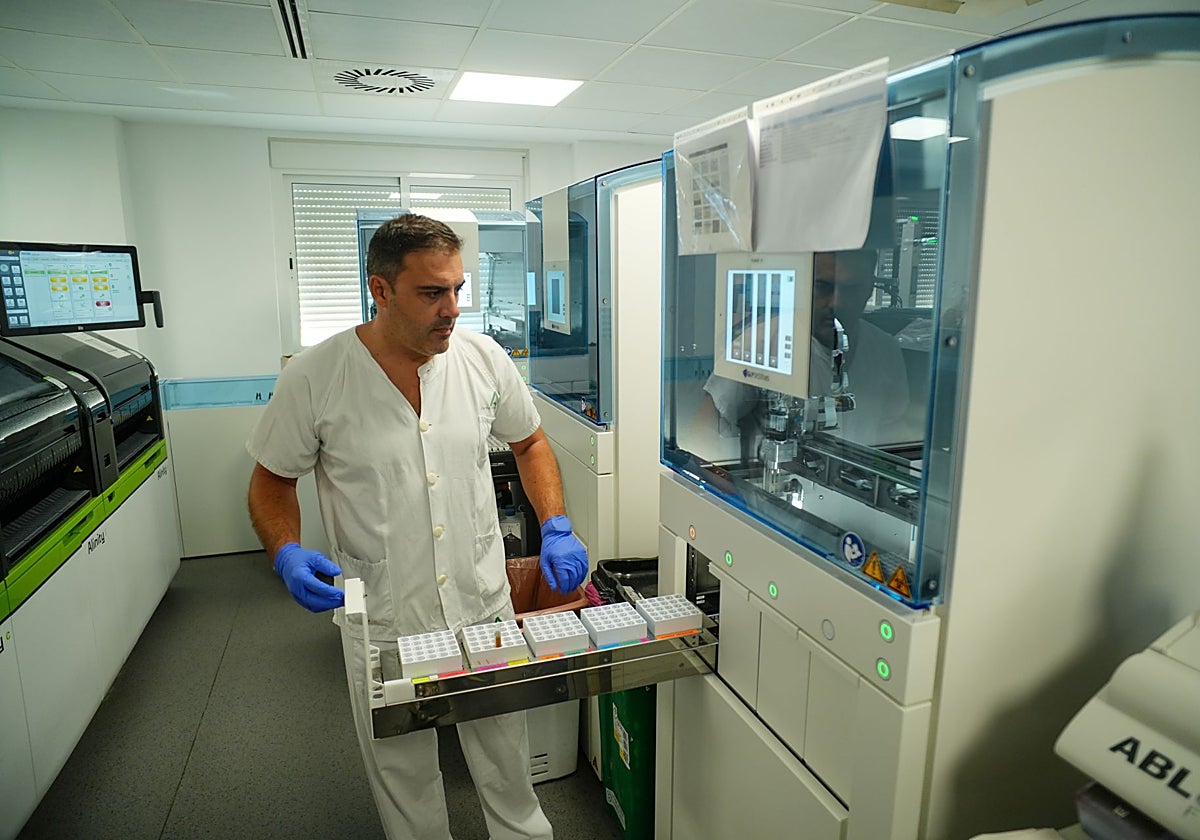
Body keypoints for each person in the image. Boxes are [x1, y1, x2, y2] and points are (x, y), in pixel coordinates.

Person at [245, 213, 587, 840]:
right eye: (432, 292)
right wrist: (286, 551)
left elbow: (531, 443)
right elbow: (271, 480)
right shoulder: (316, 377)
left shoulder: (482, 359)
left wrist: (556, 522)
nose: (451, 308)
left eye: (458, 289)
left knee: (507, 757)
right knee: (404, 773)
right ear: (380, 290)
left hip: (481, 600)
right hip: (385, 614)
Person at [700, 248, 912, 452]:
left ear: (868, 290)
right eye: (823, 287)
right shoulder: (761, 341)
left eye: (851, 289)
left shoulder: (885, 349)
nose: (836, 302)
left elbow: (893, 433)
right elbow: (704, 430)